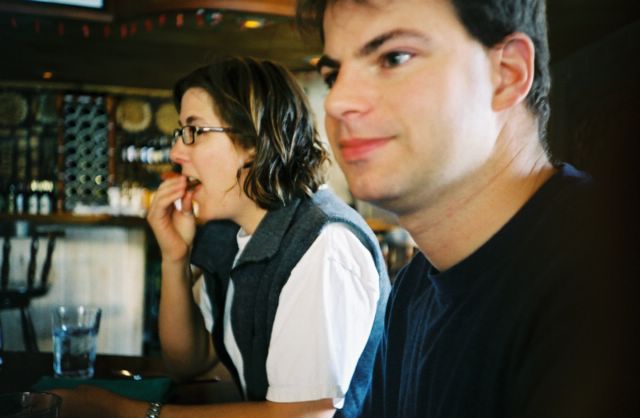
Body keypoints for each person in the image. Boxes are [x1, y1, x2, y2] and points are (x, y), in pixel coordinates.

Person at [296, 0, 634, 417]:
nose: (337, 102)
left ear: (506, 75)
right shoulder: (416, 286)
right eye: (334, 75)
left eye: (394, 58)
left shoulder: (605, 274)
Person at [54, 56, 390, 418]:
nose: (176, 153)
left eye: (194, 131)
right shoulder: (229, 234)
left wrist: (124, 412)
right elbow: (190, 361)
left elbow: (300, 417)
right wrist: (175, 258)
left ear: (255, 140)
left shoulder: (323, 245)